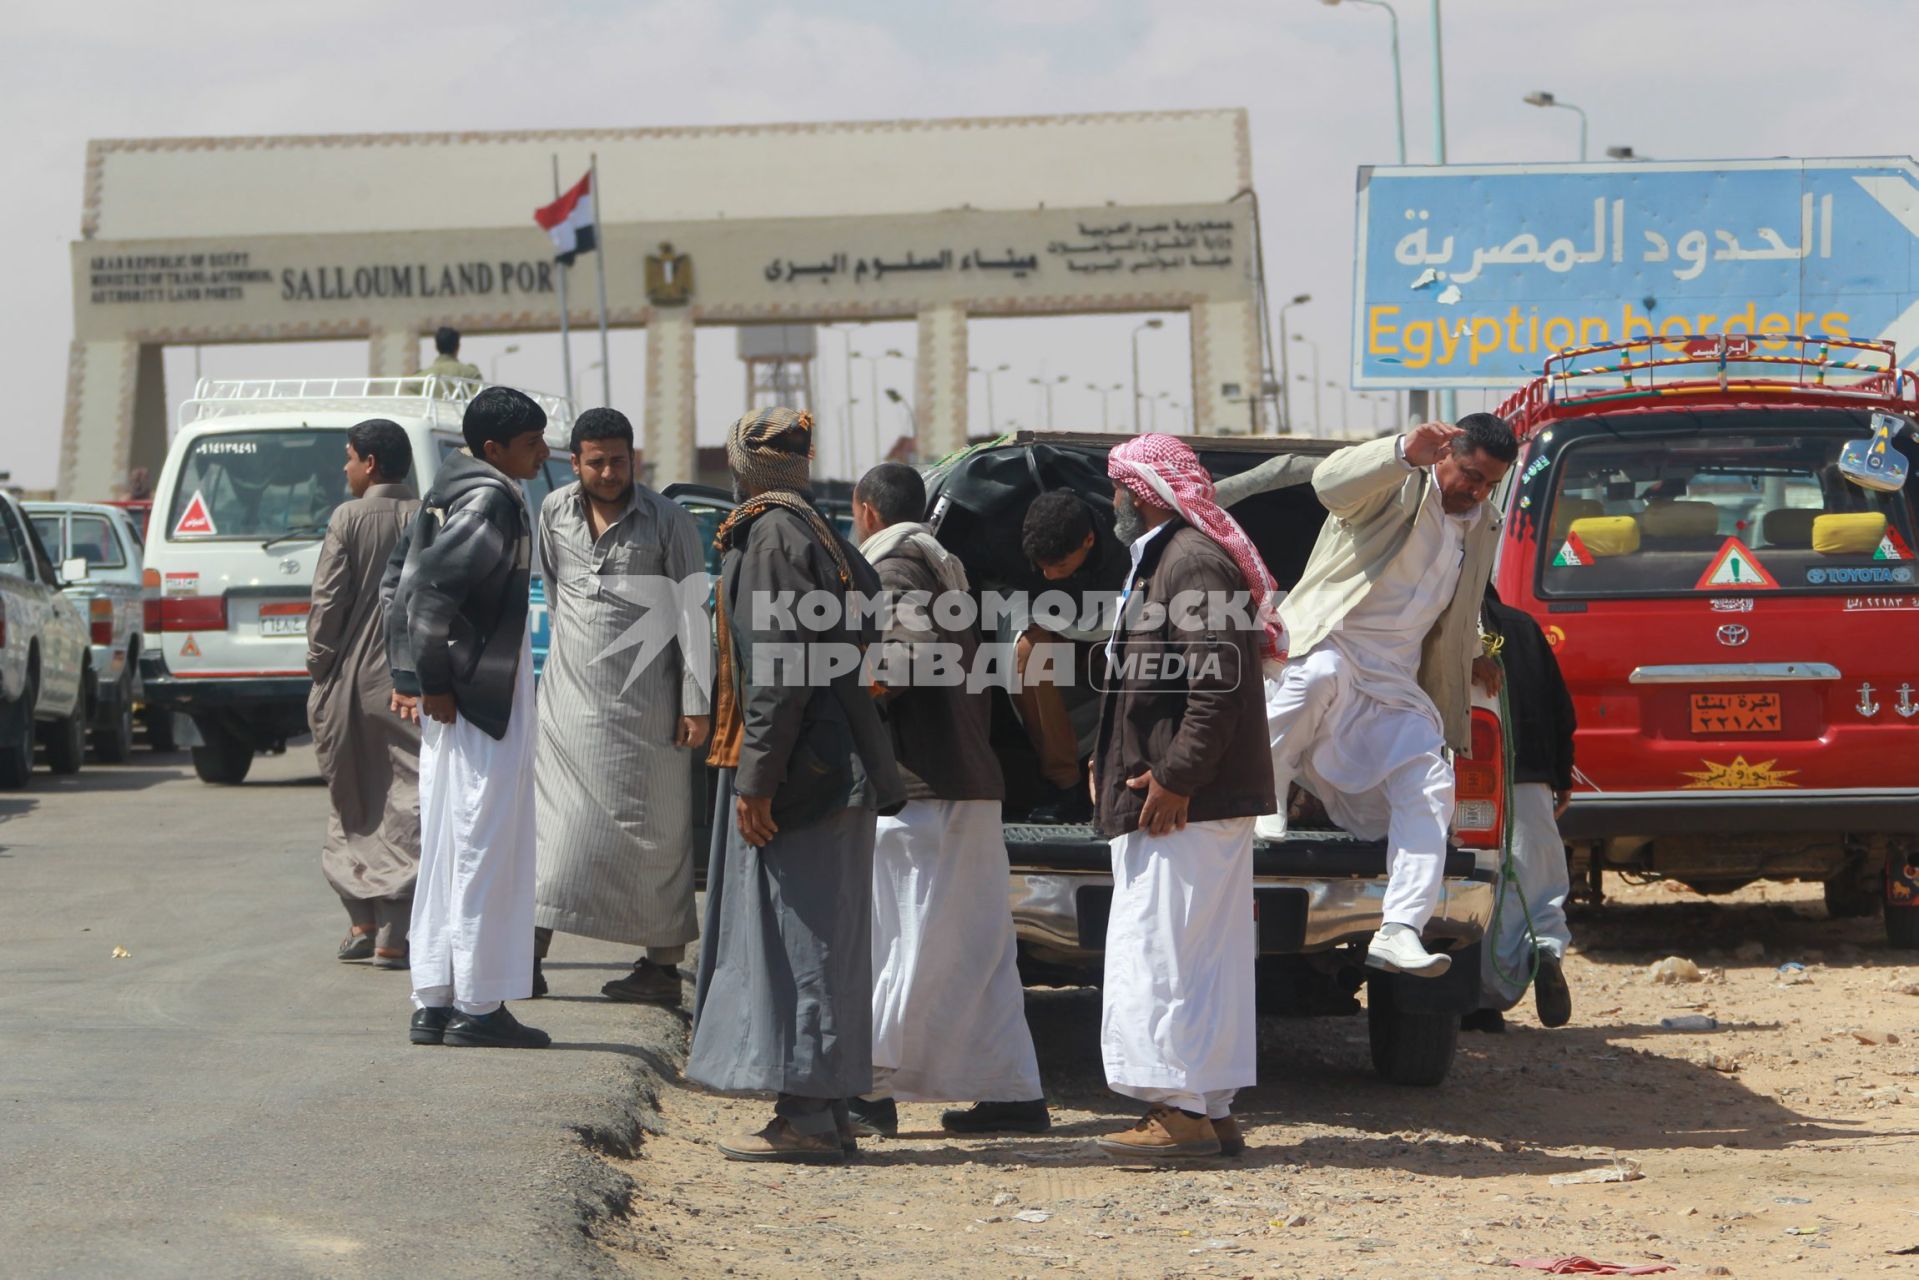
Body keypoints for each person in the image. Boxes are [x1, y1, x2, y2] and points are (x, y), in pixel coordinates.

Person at [687, 407, 905, 1163]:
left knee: (799, 938)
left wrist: (757, 780)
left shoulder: (774, 537)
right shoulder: (813, 529)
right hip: (828, 764)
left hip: (801, 776)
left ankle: (810, 1116)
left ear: (740, 464)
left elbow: (779, 673)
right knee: (823, 936)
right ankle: (825, 1109)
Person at [1261, 414, 1517, 978]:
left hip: (1395, 679)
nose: (1473, 489)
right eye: (1469, 474)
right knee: (1315, 678)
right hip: (1331, 640)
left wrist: (1472, 647)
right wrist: (1402, 451)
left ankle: (1400, 927)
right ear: (1446, 453)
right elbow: (1329, 483)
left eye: (1487, 483)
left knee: (1431, 784)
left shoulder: (1483, 523)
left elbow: (1459, 598)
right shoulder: (1395, 487)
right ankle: (1267, 792)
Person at [846, 462, 1048, 1140]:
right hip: (966, 785)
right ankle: (1009, 1090)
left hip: (921, 794)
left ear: (865, 512)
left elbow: (898, 659)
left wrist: (846, 692)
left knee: (904, 946)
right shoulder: (943, 567)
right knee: (975, 952)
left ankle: (865, 1086)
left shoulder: (897, 568)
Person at [1091, 434, 1277, 1160]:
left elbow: (1218, 686)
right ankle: (1211, 1107)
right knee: (1197, 957)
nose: (1111, 506)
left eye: (1116, 492)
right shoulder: (1167, 562)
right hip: (1181, 798)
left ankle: (1176, 1111)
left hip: (1185, 804)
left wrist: (1175, 778)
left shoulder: (1191, 563)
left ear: (1140, 495)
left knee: (1162, 954)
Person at [385, 386, 552, 1050]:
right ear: (494, 450)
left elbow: (395, 581)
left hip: (455, 693)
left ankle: (435, 998)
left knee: (452, 847)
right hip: (478, 693)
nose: (541, 454)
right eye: (531, 444)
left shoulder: (447, 488)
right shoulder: (489, 499)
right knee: (488, 844)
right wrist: (430, 681)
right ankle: (479, 1008)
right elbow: (425, 594)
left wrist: (414, 676)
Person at [532, 407, 711, 1005]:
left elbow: (692, 616)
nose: (608, 472)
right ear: (575, 461)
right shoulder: (553, 511)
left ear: (634, 457)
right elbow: (557, 597)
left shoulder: (669, 521)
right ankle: (524, 957)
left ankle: (661, 970)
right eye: (595, 461)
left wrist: (695, 703)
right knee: (554, 838)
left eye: (618, 460)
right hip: (567, 709)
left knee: (657, 838)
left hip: (648, 711)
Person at [308, 419, 422, 969]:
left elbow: (328, 603)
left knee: (349, 800)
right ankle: (393, 935)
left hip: (350, 679)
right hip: (414, 684)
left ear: (371, 463)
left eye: (350, 458)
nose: (345, 468)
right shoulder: (432, 515)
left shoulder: (347, 518)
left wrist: (319, 665)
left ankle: (362, 922)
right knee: (409, 801)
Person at [1465, 591, 1575, 1032]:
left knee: (1476, 883)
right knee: (1537, 889)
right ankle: (1545, 949)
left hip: (1464, 779)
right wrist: (1560, 775)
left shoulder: (1429, 623)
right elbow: (1560, 710)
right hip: (1530, 780)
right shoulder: (1525, 627)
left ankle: (1481, 1003)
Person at [1012, 490, 1123, 822]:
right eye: (1041, 568)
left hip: (1106, 635)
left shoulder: (1124, 544)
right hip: (1047, 631)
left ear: (1089, 540)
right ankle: (1065, 785)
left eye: (1060, 565)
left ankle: (1116, 773)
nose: (1049, 576)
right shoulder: (1007, 541)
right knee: (1030, 651)